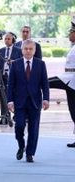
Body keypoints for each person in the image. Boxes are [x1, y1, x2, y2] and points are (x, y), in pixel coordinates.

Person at [7, 39, 49, 163]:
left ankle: (30, 153)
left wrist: (46, 99)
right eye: (26, 49)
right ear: (22, 50)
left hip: (35, 102)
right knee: (19, 126)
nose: (28, 51)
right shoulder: (15, 64)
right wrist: (10, 101)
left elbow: (45, 84)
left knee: (33, 129)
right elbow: (11, 84)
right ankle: (21, 145)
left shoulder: (41, 64)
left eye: (31, 49)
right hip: (19, 102)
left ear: (35, 50)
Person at [48, 19, 75, 148]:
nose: (69, 35)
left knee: (45, 82)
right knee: (73, 110)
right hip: (68, 78)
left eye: (71, 32)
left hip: (72, 78)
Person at [0, 32, 22, 125]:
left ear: (13, 40)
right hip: (3, 76)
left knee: (15, 97)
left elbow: (22, 62)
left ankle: (17, 117)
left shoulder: (18, 50)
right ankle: (4, 117)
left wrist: (13, 62)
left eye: (8, 39)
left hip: (14, 77)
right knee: (2, 97)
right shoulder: (0, 51)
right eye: (5, 39)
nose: (6, 40)